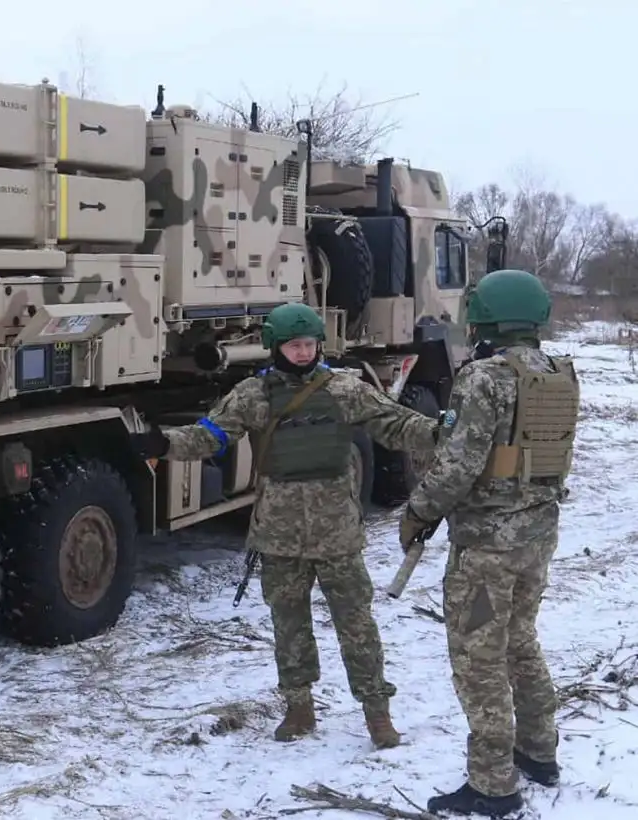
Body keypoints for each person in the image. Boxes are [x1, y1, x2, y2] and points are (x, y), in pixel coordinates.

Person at [130, 303, 438, 749]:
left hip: (337, 533)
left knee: (357, 624)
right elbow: (211, 435)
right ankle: (299, 707)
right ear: (277, 346)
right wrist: (164, 443)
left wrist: (443, 430)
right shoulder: (253, 395)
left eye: (309, 344)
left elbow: (397, 424)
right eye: (294, 345)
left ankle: (377, 712)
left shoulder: (344, 389)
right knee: (289, 624)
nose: (302, 352)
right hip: (279, 532)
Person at [400, 269, 578, 817]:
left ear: (484, 319)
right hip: (537, 535)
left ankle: (493, 785)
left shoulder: (484, 377)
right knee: (521, 641)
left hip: (487, 547)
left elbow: (457, 466)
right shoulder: (557, 373)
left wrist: (418, 512)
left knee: (479, 661)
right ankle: (538, 752)